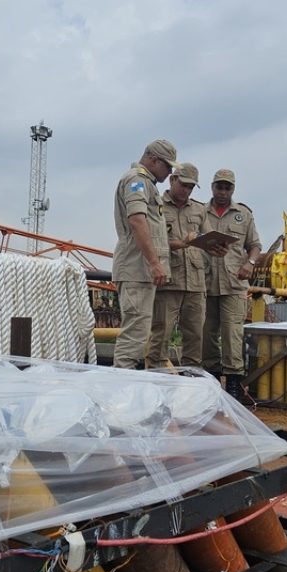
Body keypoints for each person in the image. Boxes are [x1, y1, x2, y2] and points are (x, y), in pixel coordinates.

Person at [112, 139, 178, 369]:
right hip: (136, 269)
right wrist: (154, 263)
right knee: (134, 336)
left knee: (138, 333)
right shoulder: (137, 180)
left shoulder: (146, 183)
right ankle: (119, 394)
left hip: (140, 270)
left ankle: (122, 390)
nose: (169, 172)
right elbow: (138, 220)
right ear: (153, 159)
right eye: (167, 166)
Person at [146, 162, 214, 369]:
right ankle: (156, 383)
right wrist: (183, 243)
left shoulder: (199, 210)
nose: (186, 190)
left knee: (195, 337)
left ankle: (191, 381)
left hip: (195, 283)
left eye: (191, 187)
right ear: (172, 179)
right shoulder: (156, 206)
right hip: (168, 282)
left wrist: (217, 246)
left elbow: (208, 237)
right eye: (183, 185)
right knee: (161, 335)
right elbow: (150, 240)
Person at [201, 169, 262, 398]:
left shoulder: (243, 215)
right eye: (219, 187)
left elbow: (255, 245)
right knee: (206, 333)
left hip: (234, 283)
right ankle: (212, 380)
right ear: (212, 187)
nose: (223, 192)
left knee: (232, 334)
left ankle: (234, 383)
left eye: (227, 187)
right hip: (205, 283)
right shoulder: (199, 213)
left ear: (233, 189)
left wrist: (251, 263)